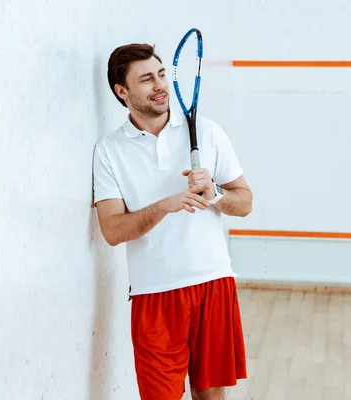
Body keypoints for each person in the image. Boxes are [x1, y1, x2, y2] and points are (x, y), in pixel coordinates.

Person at [92, 43, 252, 400]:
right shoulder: (109, 151)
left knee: (210, 396)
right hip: (154, 296)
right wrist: (163, 205)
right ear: (122, 92)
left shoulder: (208, 132)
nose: (159, 85)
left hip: (213, 283)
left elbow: (245, 202)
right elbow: (113, 231)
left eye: (161, 74)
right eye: (146, 79)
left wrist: (216, 195)